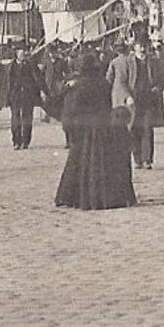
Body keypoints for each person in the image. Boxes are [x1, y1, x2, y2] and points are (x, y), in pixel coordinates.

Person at [54, 53, 137, 211]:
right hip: (104, 128)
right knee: (101, 164)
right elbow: (108, 104)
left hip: (85, 130)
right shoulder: (103, 84)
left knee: (80, 164)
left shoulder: (78, 86)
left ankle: (74, 197)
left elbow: (71, 112)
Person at [129, 38, 164, 169]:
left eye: (144, 46)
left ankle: (147, 159)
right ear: (134, 47)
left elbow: (162, 77)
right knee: (134, 129)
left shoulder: (154, 62)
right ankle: (137, 159)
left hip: (149, 99)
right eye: (140, 46)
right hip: (134, 99)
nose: (143, 49)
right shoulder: (130, 62)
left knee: (147, 129)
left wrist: (158, 86)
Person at [6, 46, 44, 149]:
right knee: (15, 119)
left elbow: (39, 79)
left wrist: (42, 92)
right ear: (16, 55)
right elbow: (6, 82)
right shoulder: (11, 66)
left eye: (24, 54)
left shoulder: (31, 65)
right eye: (21, 54)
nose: (23, 56)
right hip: (15, 95)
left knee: (27, 118)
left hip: (28, 95)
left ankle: (26, 141)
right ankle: (16, 141)